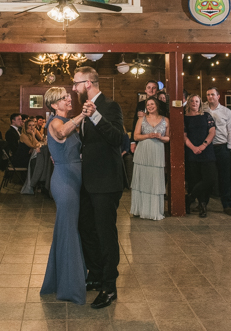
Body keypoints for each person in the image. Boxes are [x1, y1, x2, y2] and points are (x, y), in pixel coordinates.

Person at [72, 66, 124, 309]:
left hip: (106, 180)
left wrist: (95, 116)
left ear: (88, 83)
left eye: (76, 84)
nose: (74, 88)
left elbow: (116, 139)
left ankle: (109, 287)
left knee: (105, 233)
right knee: (86, 227)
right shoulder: (83, 109)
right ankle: (95, 274)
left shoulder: (110, 106)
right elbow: (87, 144)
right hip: (88, 180)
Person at [40, 87, 88, 305]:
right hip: (65, 182)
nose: (69, 99)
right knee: (68, 232)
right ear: (53, 104)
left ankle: (60, 280)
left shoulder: (67, 122)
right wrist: (82, 115)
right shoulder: (55, 122)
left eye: (69, 96)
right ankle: (69, 288)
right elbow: (60, 134)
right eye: (64, 98)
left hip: (74, 178)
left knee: (67, 230)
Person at [131, 98, 169, 220]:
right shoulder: (141, 119)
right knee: (143, 179)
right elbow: (136, 136)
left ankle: (154, 210)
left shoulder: (165, 120)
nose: (150, 106)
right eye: (148, 105)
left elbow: (168, 138)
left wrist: (160, 137)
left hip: (157, 151)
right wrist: (148, 135)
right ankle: (140, 209)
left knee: (155, 179)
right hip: (143, 152)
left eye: (152, 104)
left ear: (157, 105)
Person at [203, 87, 231, 216]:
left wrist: (230, 147)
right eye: (208, 94)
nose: (210, 97)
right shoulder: (203, 109)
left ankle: (227, 205)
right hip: (208, 147)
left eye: (212, 94)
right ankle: (203, 203)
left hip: (222, 146)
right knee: (207, 177)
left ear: (218, 96)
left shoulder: (226, 111)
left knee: (225, 177)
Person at [183, 94, 216, 218]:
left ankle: (190, 198)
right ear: (188, 103)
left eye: (197, 101)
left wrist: (203, 145)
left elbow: (212, 131)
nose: (194, 103)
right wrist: (193, 148)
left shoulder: (206, 116)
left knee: (210, 178)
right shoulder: (184, 118)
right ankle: (202, 205)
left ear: (200, 103)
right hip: (192, 151)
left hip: (207, 151)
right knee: (194, 180)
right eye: (192, 101)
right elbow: (184, 136)